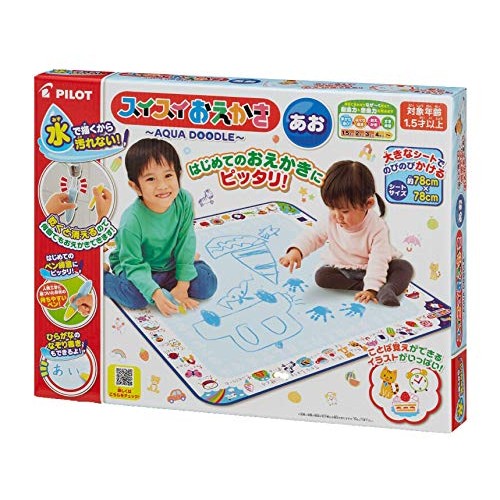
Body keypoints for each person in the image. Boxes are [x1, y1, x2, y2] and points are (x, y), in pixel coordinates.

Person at [104, 138, 217, 316]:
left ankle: (184, 267)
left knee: (207, 285)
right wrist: (155, 294)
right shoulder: (131, 221)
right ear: (135, 186)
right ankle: (103, 278)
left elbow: (186, 240)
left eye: (168, 175)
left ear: (178, 175)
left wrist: (183, 284)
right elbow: (133, 263)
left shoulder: (183, 200)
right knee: (135, 299)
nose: (162, 186)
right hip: (140, 267)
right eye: (151, 179)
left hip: (170, 265)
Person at [279, 160, 413, 306]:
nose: (337, 216)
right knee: (322, 276)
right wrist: (296, 251)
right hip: (345, 269)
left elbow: (378, 260)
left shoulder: (377, 227)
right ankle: (373, 288)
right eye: (332, 208)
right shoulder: (331, 219)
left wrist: (372, 287)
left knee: (403, 267)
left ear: (368, 204)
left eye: (344, 211)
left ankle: (389, 288)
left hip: (378, 267)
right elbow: (313, 236)